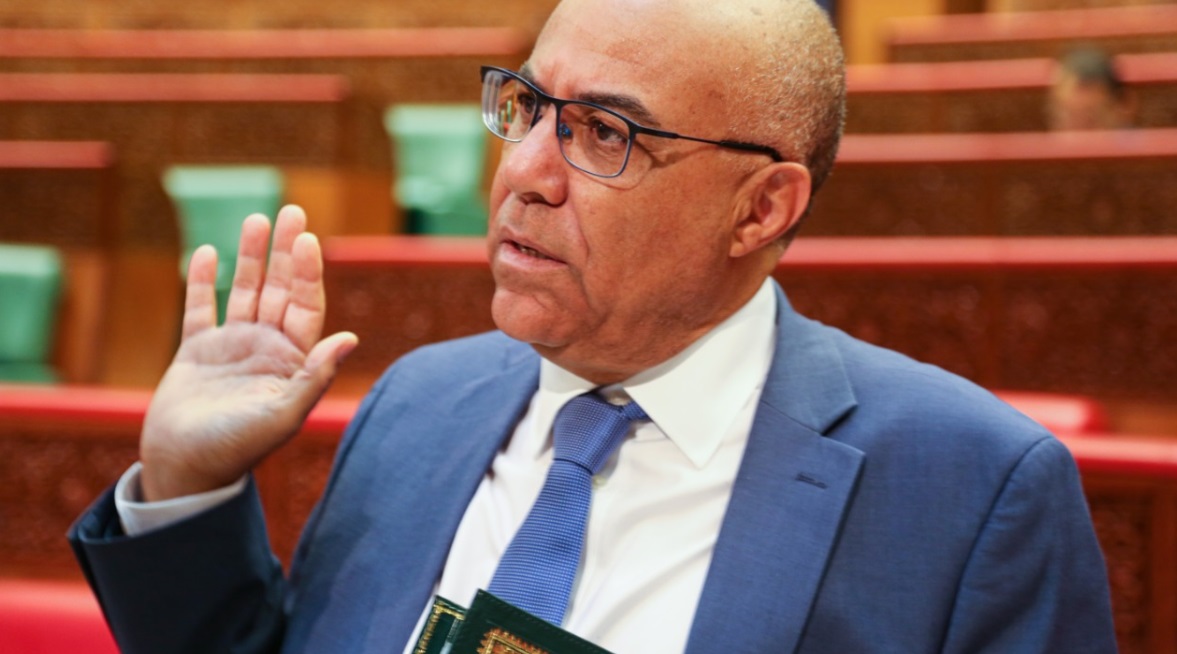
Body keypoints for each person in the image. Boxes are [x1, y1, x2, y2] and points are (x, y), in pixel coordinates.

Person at [69, 0, 1117, 652]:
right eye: (526, 109)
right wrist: (186, 488)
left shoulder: (970, 491)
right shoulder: (419, 403)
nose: (523, 174)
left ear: (761, 208)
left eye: (603, 133)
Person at [1048, 46, 1136, 131]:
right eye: (1065, 117)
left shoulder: (1139, 140)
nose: (1077, 132)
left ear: (1123, 107)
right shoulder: (1048, 139)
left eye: (1090, 119)